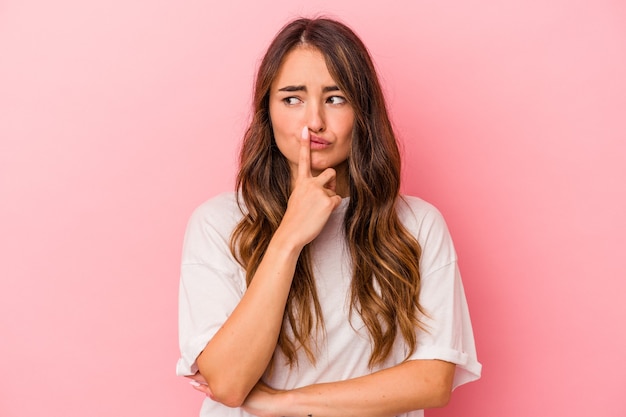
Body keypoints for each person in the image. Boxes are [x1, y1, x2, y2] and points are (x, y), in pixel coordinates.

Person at [176, 17, 481, 417]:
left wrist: (282, 404)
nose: (314, 121)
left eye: (335, 98)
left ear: (363, 112)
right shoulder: (219, 223)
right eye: (292, 99)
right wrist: (289, 236)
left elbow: (432, 381)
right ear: (267, 113)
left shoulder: (416, 225)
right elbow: (229, 383)